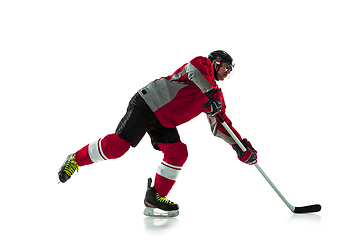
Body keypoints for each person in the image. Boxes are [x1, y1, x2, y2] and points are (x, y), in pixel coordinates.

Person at [58, 50, 258, 217]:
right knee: (119, 146)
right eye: (227, 68)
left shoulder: (216, 95)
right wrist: (210, 94)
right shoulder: (202, 64)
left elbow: (222, 125)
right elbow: (192, 71)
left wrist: (240, 146)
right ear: (216, 62)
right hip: (148, 103)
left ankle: (153, 197)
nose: (227, 73)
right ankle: (75, 159)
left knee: (178, 152)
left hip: (165, 121)